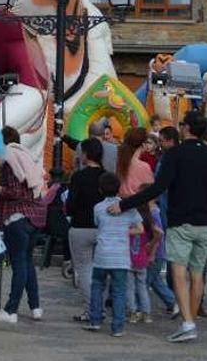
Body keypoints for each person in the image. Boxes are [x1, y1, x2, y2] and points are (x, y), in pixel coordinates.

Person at [108, 111, 207, 343]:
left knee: (179, 271)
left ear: (187, 128)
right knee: (197, 273)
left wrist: (125, 203)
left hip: (181, 221)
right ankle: (190, 320)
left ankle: (187, 323)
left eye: (182, 124)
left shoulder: (175, 154)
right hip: (205, 223)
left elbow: (157, 187)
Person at [0, 126, 46, 323]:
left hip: (16, 218)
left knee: (19, 264)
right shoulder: (26, 156)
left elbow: (14, 192)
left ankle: (11, 310)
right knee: (27, 263)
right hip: (33, 217)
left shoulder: (9, 159)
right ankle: (35, 306)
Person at [85, 172, 143, 337]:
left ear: (100, 190)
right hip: (121, 256)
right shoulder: (129, 207)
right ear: (119, 188)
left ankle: (95, 320)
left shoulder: (98, 208)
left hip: (102, 254)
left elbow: (98, 224)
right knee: (119, 291)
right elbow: (140, 229)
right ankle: (118, 327)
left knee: (97, 286)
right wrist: (125, 231)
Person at [66, 137, 106, 322]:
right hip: (103, 228)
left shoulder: (78, 177)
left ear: (86, 154)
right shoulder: (106, 176)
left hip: (81, 226)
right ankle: (101, 307)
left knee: (84, 270)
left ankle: (91, 309)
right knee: (101, 270)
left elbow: (70, 205)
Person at [127, 189, 160, 325]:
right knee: (142, 287)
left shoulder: (131, 221)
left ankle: (133, 313)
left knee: (129, 288)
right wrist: (151, 248)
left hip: (128, 259)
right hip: (142, 259)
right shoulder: (149, 222)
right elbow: (160, 233)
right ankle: (146, 314)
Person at [147, 198, 177, 316]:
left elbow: (159, 234)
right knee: (155, 281)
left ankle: (141, 308)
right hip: (158, 254)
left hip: (156, 254)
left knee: (146, 282)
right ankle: (172, 302)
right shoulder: (156, 212)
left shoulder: (153, 214)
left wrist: (153, 254)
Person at [117, 128, 154, 197]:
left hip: (121, 203)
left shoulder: (120, 161)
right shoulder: (144, 166)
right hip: (137, 204)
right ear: (143, 144)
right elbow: (150, 190)